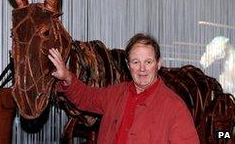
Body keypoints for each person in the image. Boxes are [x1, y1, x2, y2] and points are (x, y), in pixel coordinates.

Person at [48, 33, 200, 144]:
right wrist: (66, 76)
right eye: (135, 62)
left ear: (158, 64)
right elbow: (86, 97)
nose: (142, 69)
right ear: (128, 66)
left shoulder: (175, 107)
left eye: (148, 62)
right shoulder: (115, 94)